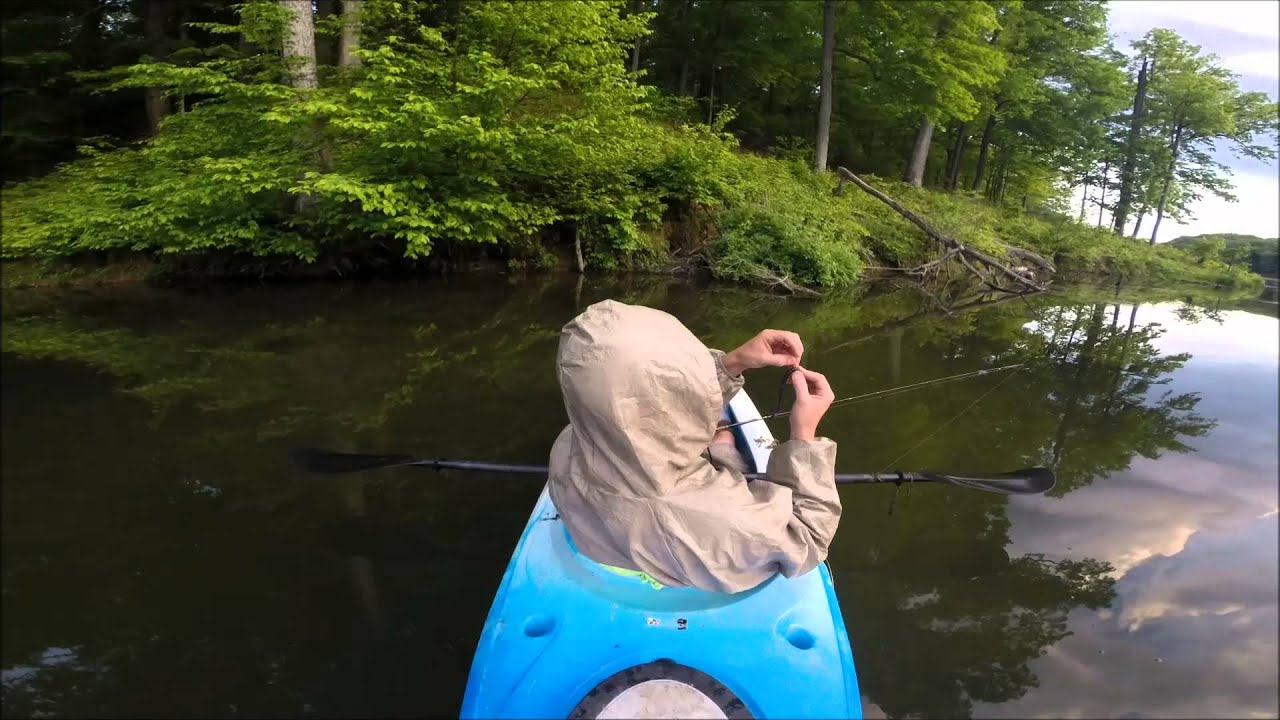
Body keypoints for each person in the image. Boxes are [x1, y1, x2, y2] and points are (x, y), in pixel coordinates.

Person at [548, 299, 840, 594]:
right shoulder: (724, 522)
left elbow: (638, 394)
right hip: (675, 557)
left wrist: (733, 363)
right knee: (723, 438)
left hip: (606, 537)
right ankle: (725, 443)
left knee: (721, 438)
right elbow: (805, 538)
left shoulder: (570, 441)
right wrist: (803, 436)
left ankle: (722, 443)